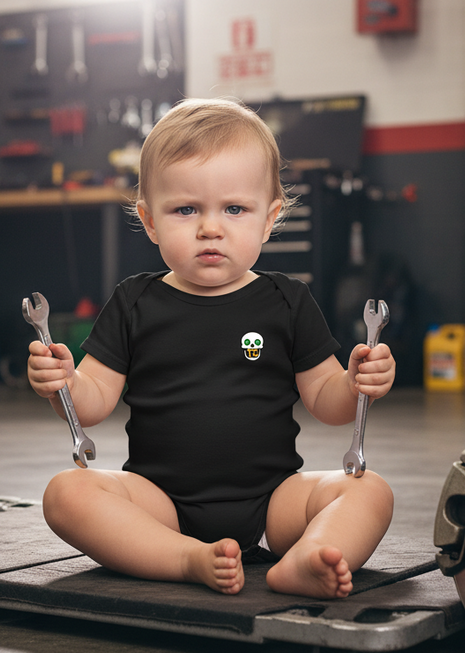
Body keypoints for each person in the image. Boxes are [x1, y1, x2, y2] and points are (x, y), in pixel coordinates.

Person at [27, 98, 395, 600]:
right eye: (185, 210)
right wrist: (64, 384)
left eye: (235, 209)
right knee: (65, 493)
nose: (210, 227)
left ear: (269, 219)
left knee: (369, 490)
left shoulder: (288, 300)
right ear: (150, 220)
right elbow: (93, 403)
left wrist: (356, 383)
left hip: (274, 506)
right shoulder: (134, 301)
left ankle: (312, 556)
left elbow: (327, 403)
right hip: (160, 507)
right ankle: (184, 558)